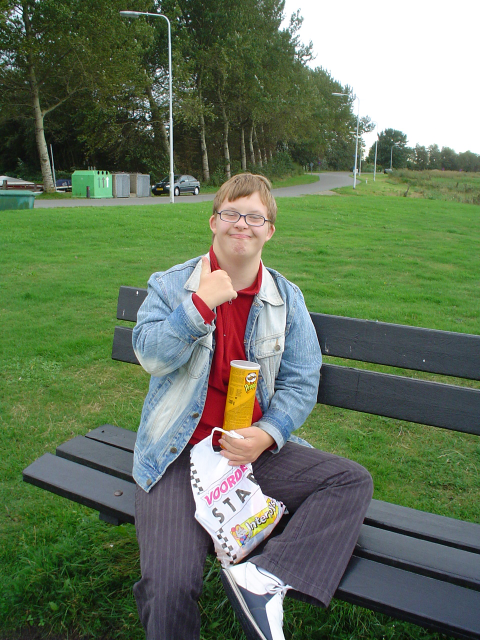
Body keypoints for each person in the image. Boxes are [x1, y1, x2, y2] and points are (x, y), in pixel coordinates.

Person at [131, 173, 373, 640]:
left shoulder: (285, 298)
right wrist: (199, 306)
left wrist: (267, 434)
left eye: (255, 217)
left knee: (350, 481)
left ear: (269, 231)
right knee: (170, 584)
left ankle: (262, 579)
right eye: (231, 213)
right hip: (177, 455)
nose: (241, 224)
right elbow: (151, 356)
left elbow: (301, 381)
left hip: (247, 452)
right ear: (213, 222)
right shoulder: (171, 285)